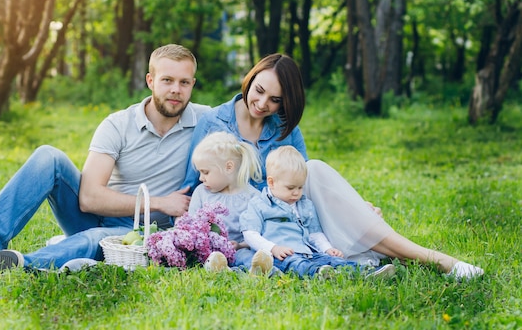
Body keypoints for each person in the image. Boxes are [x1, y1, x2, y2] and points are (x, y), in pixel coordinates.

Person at [182, 53, 484, 280]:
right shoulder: (213, 122)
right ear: (249, 78)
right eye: (258, 90)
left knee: (315, 168)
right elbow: (196, 183)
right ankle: (434, 260)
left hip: (293, 218)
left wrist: (352, 205)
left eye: (275, 100)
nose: (262, 104)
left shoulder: (285, 128)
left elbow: (301, 181)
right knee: (341, 221)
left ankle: (427, 257)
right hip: (255, 230)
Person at [0, 44, 210, 273]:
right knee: (48, 157)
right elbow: (89, 198)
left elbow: (245, 112)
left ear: (193, 85)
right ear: (150, 81)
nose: (176, 90)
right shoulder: (118, 124)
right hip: (97, 215)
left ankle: (18, 265)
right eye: (167, 80)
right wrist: (162, 203)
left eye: (184, 82)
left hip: (145, 233)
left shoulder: (206, 121)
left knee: (95, 238)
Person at [237, 145, 396, 279]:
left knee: (331, 260)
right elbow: (250, 234)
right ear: (271, 182)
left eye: (300, 187)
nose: (296, 193)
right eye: (291, 188)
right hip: (280, 256)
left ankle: (365, 272)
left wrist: (327, 248)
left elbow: (314, 233)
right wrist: (273, 248)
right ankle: (319, 273)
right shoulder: (259, 205)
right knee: (297, 265)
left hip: (308, 252)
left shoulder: (304, 204)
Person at [185, 131, 271, 274]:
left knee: (246, 257)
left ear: (229, 167)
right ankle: (224, 269)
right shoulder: (201, 193)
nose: (201, 178)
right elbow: (192, 226)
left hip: (238, 249)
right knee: (211, 258)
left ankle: (258, 269)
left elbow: (258, 232)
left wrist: (240, 245)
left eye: (205, 172)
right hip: (209, 250)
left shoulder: (252, 197)